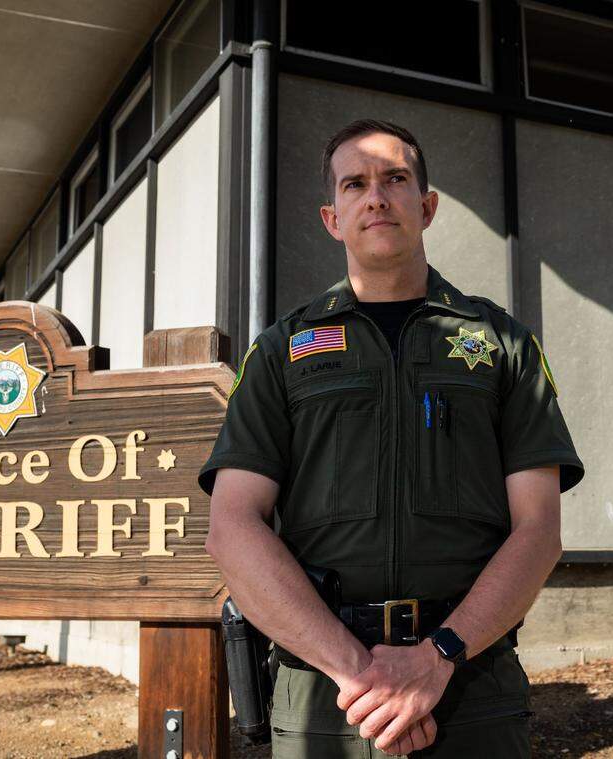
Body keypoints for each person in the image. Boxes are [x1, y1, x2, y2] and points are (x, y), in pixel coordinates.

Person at [199, 118, 584, 757]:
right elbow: (232, 527)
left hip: (471, 682)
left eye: (395, 179)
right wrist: (361, 672)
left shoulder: (501, 344)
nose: (375, 197)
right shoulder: (281, 351)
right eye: (355, 184)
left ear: (426, 207)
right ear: (332, 218)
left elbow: (538, 529)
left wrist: (436, 659)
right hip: (326, 692)